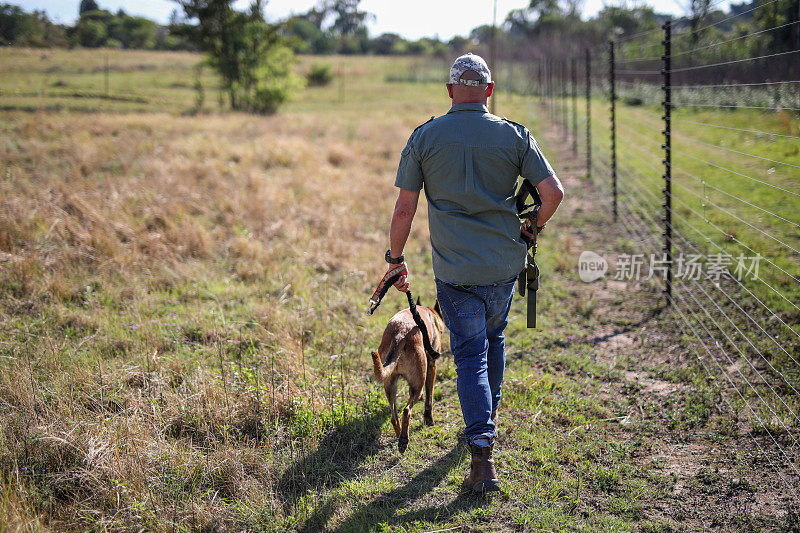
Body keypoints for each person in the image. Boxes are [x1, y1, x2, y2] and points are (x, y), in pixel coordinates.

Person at [382, 53, 564, 493]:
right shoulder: (515, 136)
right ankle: (490, 414)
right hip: (504, 265)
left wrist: (395, 259)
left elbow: (405, 206)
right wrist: (531, 227)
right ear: (489, 90)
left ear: (449, 92)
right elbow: (553, 193)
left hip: (455, 271)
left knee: (468, 355)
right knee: (494, 339)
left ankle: (482, 453)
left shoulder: (424, 137)